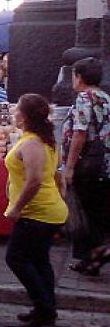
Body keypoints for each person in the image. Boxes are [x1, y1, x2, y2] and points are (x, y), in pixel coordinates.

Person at [4, 94, 69, 327]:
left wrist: (17, 207)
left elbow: (34, 181)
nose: (14, 113)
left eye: (17, 110)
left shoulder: (32, 143)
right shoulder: (41, 139)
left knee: (16, 258)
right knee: (39, 259)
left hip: (38, 212)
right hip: (44, 210)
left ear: (25, 116)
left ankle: (44, 307)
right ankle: (45, 307)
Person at [61, 57, 109, 274]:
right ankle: (91, 260)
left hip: (87, 165)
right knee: (96, 210)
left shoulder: (84, 97)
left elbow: (80, 134)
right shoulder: (105, 97)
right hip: (104, 164)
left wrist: (69, 167)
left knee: (84, 211)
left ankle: (97, 250)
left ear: (79, 77)